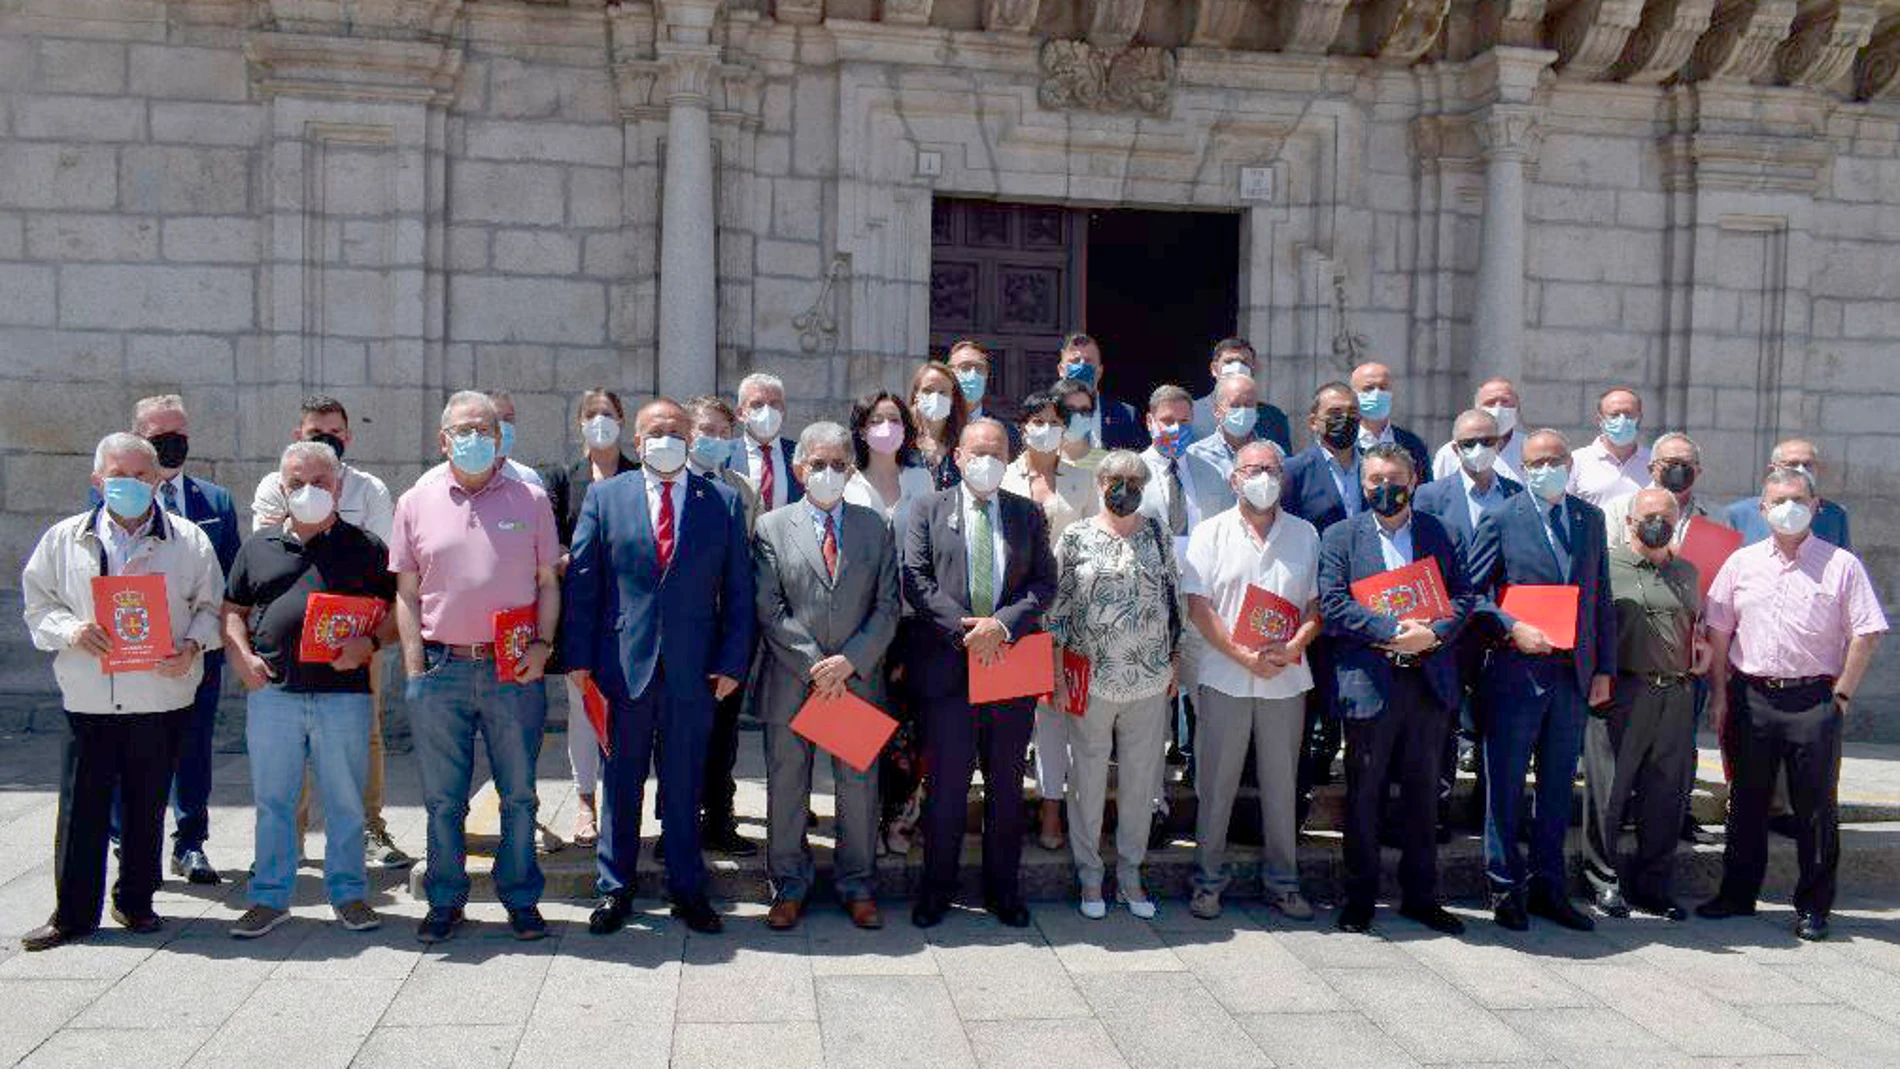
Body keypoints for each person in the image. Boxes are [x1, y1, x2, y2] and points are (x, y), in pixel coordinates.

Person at [20, 433, 223, 951]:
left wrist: (194, 646)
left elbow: (212, 607)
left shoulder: (188, 540)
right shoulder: (65, 538)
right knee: (81, 807)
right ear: (97, 480)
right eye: (118, 474)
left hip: (159, 694)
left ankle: (136, 901)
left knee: (145, 804)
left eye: (140, 475)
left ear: (157, 480)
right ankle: (73, 914)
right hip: (89, 695)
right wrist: (71, 631)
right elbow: (38, 605)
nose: (129, 484)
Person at [565, 398, 754, 937]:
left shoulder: (720, 501)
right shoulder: (605, 496)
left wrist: (732, 661)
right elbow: (583, 584)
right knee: (620, 781)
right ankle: (614, 888)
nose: (665, 439)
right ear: (637, 440)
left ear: (690, 440)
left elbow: (738, 591)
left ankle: (687, 888)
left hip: (694, 671)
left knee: (685, 783)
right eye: (654, 431)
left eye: (675, 431)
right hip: (621, 668)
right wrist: (578, 660)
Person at [391, 391, 561, 944]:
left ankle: (520, 898)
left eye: (484, 429)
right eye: (463, 429)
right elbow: (407, 592)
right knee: (443, 799)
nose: (474, 437)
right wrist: (415, 664)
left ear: (500, 437)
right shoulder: (415, 501)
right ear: (443, 439)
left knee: (519, 794)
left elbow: (547, 584)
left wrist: (543, 646)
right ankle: (445, 898)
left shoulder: (530, 498)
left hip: (513, 670)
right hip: (442, 668)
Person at [1697, 468, 1887, 941]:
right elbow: (1719, 632)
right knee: (1747, 801)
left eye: (1798, 499)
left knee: (1816, 807)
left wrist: (1841, 693)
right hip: (1752, 695)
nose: (1788, 507)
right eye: (1779, 500)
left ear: (1815, 505)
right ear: (1763, 509)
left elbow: (1868, 630)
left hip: (1813, 697)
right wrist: (1720, 695)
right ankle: (1737, 894)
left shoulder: (1841, 564)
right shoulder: (1741, 563)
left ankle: (1814, 906)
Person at [222, 442, 397, 938]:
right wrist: (240, 655)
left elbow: (396, 613)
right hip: (274, 692)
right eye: (297, 483)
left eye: (319, 482)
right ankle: (270, 897)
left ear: (338, 487)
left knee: (345, 800)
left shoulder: (366, 548)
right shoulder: (258, 547)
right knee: (274, 800)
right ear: (282, 487)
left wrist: (368, 642)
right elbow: (232, 610)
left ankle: (349, 894)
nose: (308, 491)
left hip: (344, 694)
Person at [903, 419, 1057, 929]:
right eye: (976, 452)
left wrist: (1002, 626)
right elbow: (917, 580)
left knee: (1007, 787)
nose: (984, 460)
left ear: (1008, 457)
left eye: (995, 452)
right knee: (947, 787)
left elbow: (1043, 583)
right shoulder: (928, 508)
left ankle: (1003, 891)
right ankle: (936, 891)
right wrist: (967, 629)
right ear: (958, 457)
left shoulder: (1026, 513)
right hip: (949, 667)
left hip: (1010, 665)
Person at [1465, 428, 1617, 933]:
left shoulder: (1588, 519)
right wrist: (1511, 627)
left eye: (1555, 460)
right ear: (1522, 467)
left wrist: (1604, 668)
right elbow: (1473, 595)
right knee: (1506, 784)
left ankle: (1550, 887)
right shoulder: (1501, 517)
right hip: (1517, 673)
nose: (1546, 469)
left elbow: (1600, 597)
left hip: (1572, 675)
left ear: (1569, 464)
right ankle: (1504, 887)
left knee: (1556, 788)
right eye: (1535, 462)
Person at [251, 395, 410, 870]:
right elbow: (272, 548)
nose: (325, 439)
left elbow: (379, 556)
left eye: (334, 432)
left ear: (348, 436)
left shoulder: (369, 488)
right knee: (289, 740)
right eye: (314, 432)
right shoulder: (273, 484)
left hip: (354, 633)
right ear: (298, 436)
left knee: (368, 733)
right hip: (290, 636)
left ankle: (368, 828)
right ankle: (291, 839)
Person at [753, 422, 901, 931]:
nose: (828, 473)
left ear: (851, 469)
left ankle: (857, 885)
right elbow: (770, 609)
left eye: (839, 464)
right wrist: (818, 665)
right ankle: (787, 887)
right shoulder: (771, 527)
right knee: (787, 785)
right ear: (800, 470)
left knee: (858, 789)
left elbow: (888, 605)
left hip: (856, 680)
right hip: (795, 682)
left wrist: (849, 662)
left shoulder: (873, 525)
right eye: (818, 464)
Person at [1318, 444, 1471, 934]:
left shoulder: (1439, 533)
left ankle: (1420, 897)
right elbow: (1333, 602)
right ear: (1362, 486)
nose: (1384, 488)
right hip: (1372, 680)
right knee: (1365, 793)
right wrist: (1388, 628)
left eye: (1394, 478)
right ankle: (1360, 897)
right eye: (1373, 480)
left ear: (1414, 479)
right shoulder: (1341, 536)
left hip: (1426, 681)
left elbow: (1466, 595)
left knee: (1426, 794)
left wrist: (1438, 632)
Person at [1181, 440, 1321, 922]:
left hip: (1286, 678)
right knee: (1216, 785)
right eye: (1251, 469)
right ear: (1233, 478)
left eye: (1270, 469)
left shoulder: (1305, 534)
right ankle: (1207, 882)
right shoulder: (1209, 533)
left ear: (1282, 477)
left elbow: (1314, 607)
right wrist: (1241, 653)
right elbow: (1198, 606)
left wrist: (1297, 644)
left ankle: (1283, 884)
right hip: (1224, 676)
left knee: (1282, 788)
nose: (1261, 477)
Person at [1048, 451, 1179, 919]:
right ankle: (1089, 876)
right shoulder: (1077, 536)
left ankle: (1130, 874)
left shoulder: (1158, 535)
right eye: (1115, 479)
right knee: (1086, 779)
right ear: (1100, 483)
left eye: (1134, 481)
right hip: (1092, 678)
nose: (1124, 488)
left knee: (1142, 784)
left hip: (1148, 678)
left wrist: (1175, 661)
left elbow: (1174, 601)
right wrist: (1058, 673)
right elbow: (1057, 609)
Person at [124, 394, 241, 886]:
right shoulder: (116, 497)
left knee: (193, 748)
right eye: (159, 437)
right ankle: (126, 839)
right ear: (138, 440)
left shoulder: (214, 502)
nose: (172, 445)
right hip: (135, 650)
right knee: (129, 750)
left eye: (180, 435)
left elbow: (232, 578)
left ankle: (190, 841)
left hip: (198, 649)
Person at [1582, 488, 1704, 922]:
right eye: (1649, 515)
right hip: (1622, 692)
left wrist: (1701, 649)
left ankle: (1654, 885)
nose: (1658, 523)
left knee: (1665, 795)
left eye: (1667, 518)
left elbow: (1697, 625)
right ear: (1630, 521)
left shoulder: (1688, 571)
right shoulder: (1605, 565)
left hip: (1676, 693)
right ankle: (1602, 880)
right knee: (1610, 792)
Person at [1412, 408, 1523, 836]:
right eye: (1468, 443)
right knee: (1441, 722)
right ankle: (1436, 810)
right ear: (1454, 448)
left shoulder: (1516, 494)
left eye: (1488, 441)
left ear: (1500, 444)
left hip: (1499, 628)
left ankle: (1488, 810)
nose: (1479, 450)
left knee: (1498, 724)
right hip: (1447, 627)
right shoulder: (1428, 496)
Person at [1003, 388, 1103, 851]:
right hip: (1019, 611)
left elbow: (1095, 545)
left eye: (1053, 421)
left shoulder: (1084, 481)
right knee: (1017, 714)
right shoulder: (1003, 478)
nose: (1045, 429)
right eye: (1036, 421)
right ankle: (1004, 803)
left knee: (1058, 713)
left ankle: (1052, 810)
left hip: (1072, 613)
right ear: (1022, 427)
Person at [539, 388, 639, 848]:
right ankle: (584, 799)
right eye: (592, 414)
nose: (601, 421)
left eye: (609, 414)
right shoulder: (562, 478)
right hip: (578, 610)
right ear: (579, 423)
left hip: (629, 610)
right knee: (583, 708)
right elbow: (551, 542)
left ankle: (623, 799)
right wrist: (570, 557)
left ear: (622, 420)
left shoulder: (639, 475)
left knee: (629, 705)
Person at [842, 391, 937, 855]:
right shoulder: (845, 483)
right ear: (861, 429)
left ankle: (901, 816)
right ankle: (862, 823)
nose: (886, 427)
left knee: (906, 727)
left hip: (912, 623)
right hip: (860, 626)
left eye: (895, 418)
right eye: (877, 419)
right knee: (861, 726)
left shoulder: (922, 480)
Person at [1280, 381, 1365, 816]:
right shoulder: (1295, 472)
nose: (1344, 421)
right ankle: (1293, 817)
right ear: (1313, 421)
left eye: (1351, 412)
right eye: (1333, 413)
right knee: (1305, 724)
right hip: (1312, 614)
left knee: (1355, 722)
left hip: (1366, 616)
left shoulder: (1375, 469)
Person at [686, 394, 765, 857]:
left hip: (729, 625)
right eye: (705, 430)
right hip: (682, 629)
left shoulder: (741, 488)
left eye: (722, 432)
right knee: (679, 730)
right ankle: (678, 817)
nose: (714, 439)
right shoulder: (670, 483)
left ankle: (721, 816)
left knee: (724, 729)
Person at [1724, 439, 1851, 549]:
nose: (1801, 470)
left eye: (1807, 465)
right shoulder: (1739, 514)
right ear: (1773, 468)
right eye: (1792, 464)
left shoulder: (1835, 514)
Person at [1140, 384, 1230, 538]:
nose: (1176, 429)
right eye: (1168, 421)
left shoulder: (1213, 473)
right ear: (1150, 422)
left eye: (1183, 421)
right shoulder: (1130, 473)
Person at [1601, 432, 1717, 542]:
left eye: (1686, 464)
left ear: (1698, 471)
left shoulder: (1716, 516)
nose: (1679, 469)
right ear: (1651, 469)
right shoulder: (1619, 510)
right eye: (1671, 462)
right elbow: (1608, 558)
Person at [419, 390, 545, 488]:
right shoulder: (429, 483)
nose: (502, 426)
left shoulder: (528, 480)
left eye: (508, 419)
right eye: (496, 419)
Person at [1189, 337, 1292, 451]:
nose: (1237, 367)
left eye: (1244, 362)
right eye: (1229, 362)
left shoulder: (1273, 418)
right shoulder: (1190, 413)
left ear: (1253, 368)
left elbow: (1283, 464)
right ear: (1214, 368)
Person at [1054, 332, 1148, 450]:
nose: (1082, 366)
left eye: (1088, 361)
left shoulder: (1126, 415)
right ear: (1061, 370)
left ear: (1099, 372)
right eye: (1075, 361)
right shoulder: (1046, 412)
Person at [1183, 373, 1266, 505]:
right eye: (1235, 405)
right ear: (1217, 410)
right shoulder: (1194, 455)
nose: (1243, 411)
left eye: (1249, 405)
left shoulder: (1273, 454)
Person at [1567, 386, 1649, 507]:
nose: (1622, 420)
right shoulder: (1577, 461)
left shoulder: (1653, 461)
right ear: (1599, 420)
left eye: (1629, 414)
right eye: (1615, 415)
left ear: (1639, 418)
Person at [1348, 362, 1432, 479]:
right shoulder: (1344, 442)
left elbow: (1424, 490)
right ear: (1353, 395)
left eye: (1383, 388)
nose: (1377, 394)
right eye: (1368, 388)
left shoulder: (1412, 444)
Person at [733, 371, 803, 511]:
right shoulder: (726, 455)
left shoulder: (800, 455)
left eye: (774, 404)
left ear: (783, 412)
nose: (767, 411)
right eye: (757, 404)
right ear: (740, 413)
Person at [1431, 378, 1525, 482]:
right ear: (1477, 409)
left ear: (1518, 408)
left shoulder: (1530, 448)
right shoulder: (1450, 453)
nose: (1499, 408)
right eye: (1490, 402)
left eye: (1505, 401)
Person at [945, 339, 1022, 452]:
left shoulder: (1005, 431)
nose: (973, 374)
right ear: (949, 373)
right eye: (965, 367)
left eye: (979, 368)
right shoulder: (937, 425)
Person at [909, 360, 968, 490]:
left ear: (953, 398)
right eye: (928, 391)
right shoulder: (902, 442)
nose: (935, 397)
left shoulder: (965, 444)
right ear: (916, 396)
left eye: (943, 392)